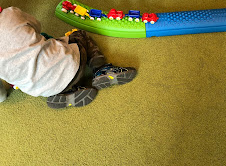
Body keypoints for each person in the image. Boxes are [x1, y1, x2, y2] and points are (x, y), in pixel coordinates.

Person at [0, 7, 137, 109]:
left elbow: (1, 97)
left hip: (39, 89)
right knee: (80, 36)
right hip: (70, 64)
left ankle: (67, 92)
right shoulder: (11, 14)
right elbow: (36, 26)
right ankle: (102, 70)